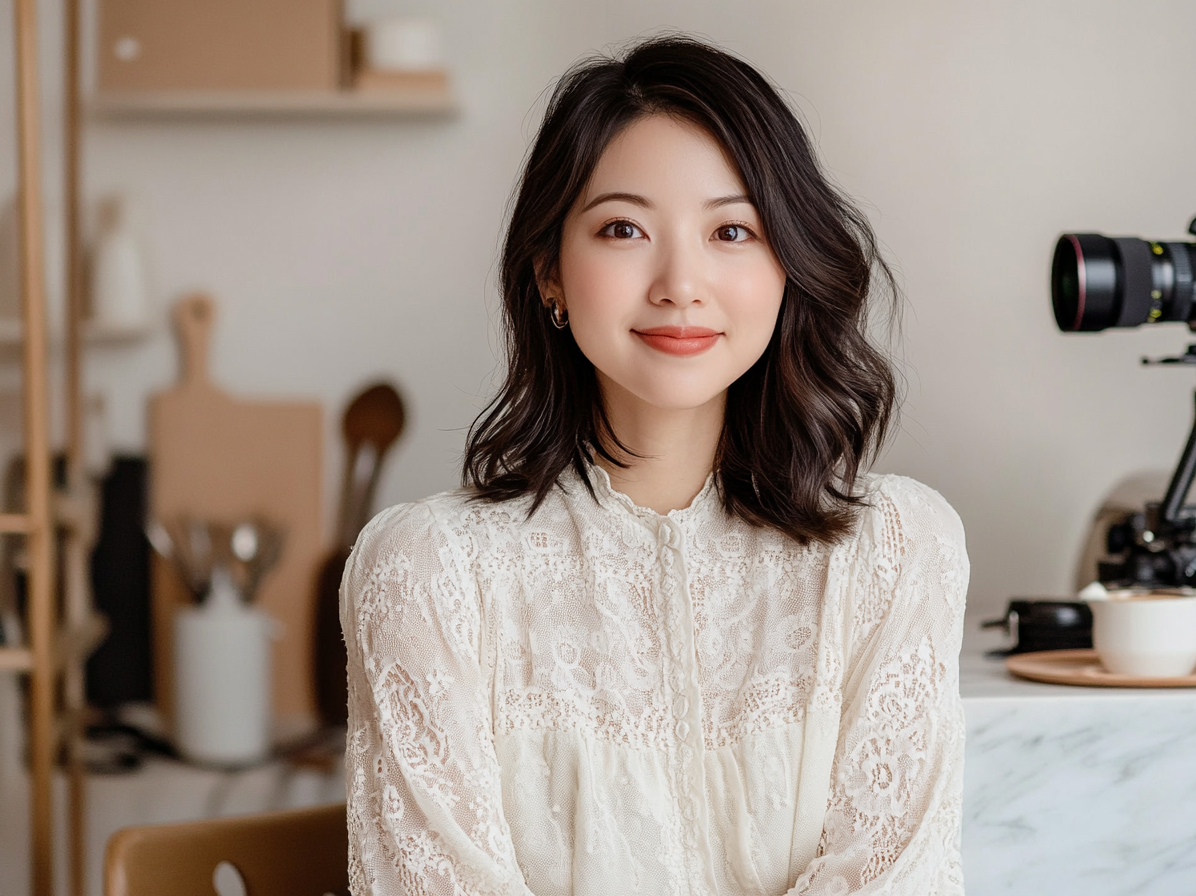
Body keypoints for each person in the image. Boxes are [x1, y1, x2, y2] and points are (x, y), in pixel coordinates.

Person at [342, 35, 969, 896]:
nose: (681, 282)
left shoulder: (897, 552)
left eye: (732, 230)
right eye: (624, 228)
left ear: (788, 265)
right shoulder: (429, 573)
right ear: (548, 275)